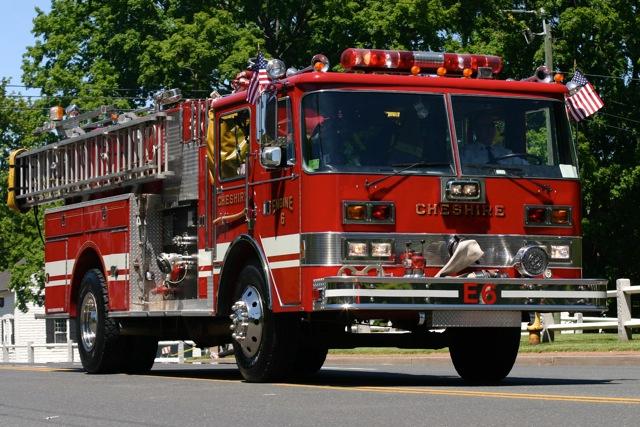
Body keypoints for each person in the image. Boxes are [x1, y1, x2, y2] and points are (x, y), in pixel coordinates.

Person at [460, 113, 526, 165]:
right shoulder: (466, 153)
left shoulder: (505, 153)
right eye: (485, 126)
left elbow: (528, 167)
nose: (489, 129)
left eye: (491, 125)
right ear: (476, 129)